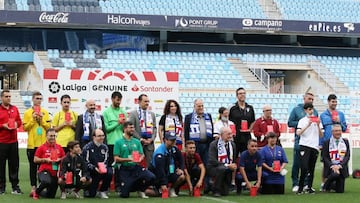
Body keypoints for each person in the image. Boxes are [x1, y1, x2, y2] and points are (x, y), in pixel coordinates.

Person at [114, 121, 156, 198]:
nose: (132, 129)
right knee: (124, 195)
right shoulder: (118, 142)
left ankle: (141, 189)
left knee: (151, 177)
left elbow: (142, 154)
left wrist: (140, 159)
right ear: (125, 129)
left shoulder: (136, 142)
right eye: (130, 128)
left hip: (135, 167)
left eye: (133, 128)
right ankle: (128, 187)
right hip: (124, 168)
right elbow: (116, 158)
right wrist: (128, 159)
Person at [288, 92, 318, 192]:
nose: (311, 101)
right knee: (297, 163)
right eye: (309, 98)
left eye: (312, 99)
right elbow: (290, 122)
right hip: (299, 140)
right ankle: (295, 183)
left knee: (308, 165)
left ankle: (306, 184)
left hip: (312, 142)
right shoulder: (296, 109)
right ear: (304, 98)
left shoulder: (315, 112)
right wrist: (304, 121)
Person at [23, 91, 51, 194]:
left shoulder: (45, 112)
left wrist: (42, 120)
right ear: (33, 99)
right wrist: (33, 119)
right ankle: (33, 186)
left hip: (43, 145)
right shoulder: (27, 113)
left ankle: (41, 185)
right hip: (32, 144)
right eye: (37, 98)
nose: (38, 101)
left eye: (40, 99)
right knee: (32, 167)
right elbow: (25, 127)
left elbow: (48, 127)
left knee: (43, 167)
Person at [320, 94, 347, 191]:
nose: (334, 103)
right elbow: (321, 130)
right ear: (328, 102)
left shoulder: (341, 114)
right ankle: (323, 183)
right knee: (325, 163)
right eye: (332, 101)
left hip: (338, 143)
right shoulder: (323, 115)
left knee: (339, 160)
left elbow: (344, 128)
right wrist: (320, 143)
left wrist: (339, 121)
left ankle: (334, 182)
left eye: (335, 101)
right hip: (327, 143)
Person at [296, 103, 323, 194]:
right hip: (304, 145)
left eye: (311, 109)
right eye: (308, 109)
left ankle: (309, 187)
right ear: (305, 110)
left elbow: (321, 135)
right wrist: (308, 125)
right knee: (304, 167)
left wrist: (318, 125)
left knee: (312, 168)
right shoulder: (302, 121)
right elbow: (298, 133)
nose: (310, 111)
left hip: (314, 146)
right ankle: (300, 187)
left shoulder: (317, 120)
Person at [102, 91, 127, 192]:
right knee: (109, 166)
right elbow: (106, 129)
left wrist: (124, 124)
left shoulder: (123, 112)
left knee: (119, 166)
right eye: (117, 100)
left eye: (120, 100)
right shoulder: (106, 112)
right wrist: (118, 122)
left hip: (121, 142)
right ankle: (106, 186)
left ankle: (118, 186)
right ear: (112, 99)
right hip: (110, 142)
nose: (119, 102)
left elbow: (125, 128)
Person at [0, 90, 23, 195]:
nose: (8, 98)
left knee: (14, 165)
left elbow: (19, 121)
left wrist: (15, 125)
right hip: (1, 142)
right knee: (1, 165)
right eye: (6, 96)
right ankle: (1, 188)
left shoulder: (14, 108)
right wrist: (2, 125)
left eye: (9, 96)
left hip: (13, 141)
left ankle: (15, 187)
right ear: (1, 98)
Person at [32, 128, 65, 199]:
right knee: (46, 181)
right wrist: (45, 160)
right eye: (51, 136)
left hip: (55, 173)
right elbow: (35, 159)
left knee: (50, 196)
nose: (53, 138)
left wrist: (59, 159)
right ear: (46, 136)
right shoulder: (41, 147)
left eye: (54, 136)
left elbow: (64, 158)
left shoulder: (59, 147)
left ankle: (36, 191)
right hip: (44, 171)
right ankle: (36, 193)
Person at [149, 132, 185, 198]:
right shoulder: (159, 153)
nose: (173, 142)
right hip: (157, 176)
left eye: (174, 140)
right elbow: (160, 170)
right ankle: (159, 190)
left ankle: (171, 189)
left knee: (182, 177)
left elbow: (181, 159)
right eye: (171, 140)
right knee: (152, 193)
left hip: (169, 172)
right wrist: (163, 184)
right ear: (165, 140)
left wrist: (181, 169)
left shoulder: (174, 149)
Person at [82, 129, 113, 199]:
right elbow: (85, 162)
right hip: (91, 171)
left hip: (101, 169)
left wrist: (102, 167)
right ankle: (87, 189)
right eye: (99, 136)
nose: (102, 137)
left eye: (103, 135)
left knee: (110, 172)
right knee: (91, 195)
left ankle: (102, 191)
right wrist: (95, 168)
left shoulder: (105, 147)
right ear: (94, 137)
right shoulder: (87, 147)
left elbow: (106, 160)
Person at [207, 127, 237, 197]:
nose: (230, 136)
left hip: (227, 168)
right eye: (228, 134)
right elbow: (212, 160)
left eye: (231, 134)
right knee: (222, 168)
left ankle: (212, 186)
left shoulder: (232, 145)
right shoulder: (214, 144)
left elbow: (233, 159)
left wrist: (232, 165)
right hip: (213, 167)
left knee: (225, 192)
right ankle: (216, 190)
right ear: (221, 135)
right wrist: (227, 165)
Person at [128, 94, 157, 167]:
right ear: (139, 102)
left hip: (149, 145)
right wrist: (140, 139)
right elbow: (131, 129)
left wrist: (152, 139)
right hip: (137, 144)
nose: (147, 103)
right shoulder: (133, 114)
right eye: (145, 101)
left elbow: (155, 129)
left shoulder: (152, 114)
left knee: (150, 166)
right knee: (135, 164)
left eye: (148, 101)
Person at [322, 124, 350, 193]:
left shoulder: (345, 142)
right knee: (335, 174)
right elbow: (324, 157)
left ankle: (331, 185)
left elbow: (347, 156)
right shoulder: (327, 142)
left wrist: (339, 166)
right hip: (331, 167)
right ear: (332, 132)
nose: (338, 132)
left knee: (340, 191)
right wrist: (333, 166)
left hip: (341, 167)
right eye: (336, 131)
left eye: (339, 131)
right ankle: (325, 185)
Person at [229, 87, 255, 157]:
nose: (242, 95)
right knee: (234, 156)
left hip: (246, 136)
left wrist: (250, 129)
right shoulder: (232, 108)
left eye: (244, 93)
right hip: (236, 137)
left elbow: (253, 121)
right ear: (237, 96)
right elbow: (229, 122)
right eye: (240, 93)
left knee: (247, 156)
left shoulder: (250, 108)